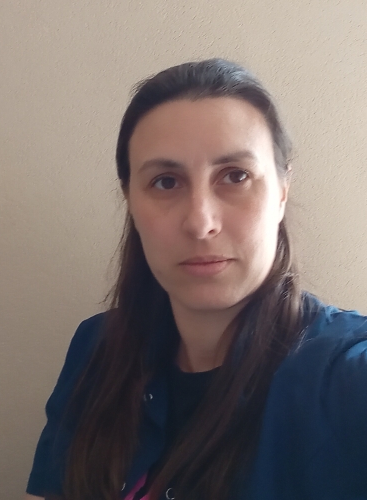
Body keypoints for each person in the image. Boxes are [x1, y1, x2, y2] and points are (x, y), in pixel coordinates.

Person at [25, 59, 367, 500]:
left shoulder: (344, 377)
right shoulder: (97, 348)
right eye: (166, 182)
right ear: (130, 200)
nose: (201, 222)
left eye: (236, 176)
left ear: (282, 192)